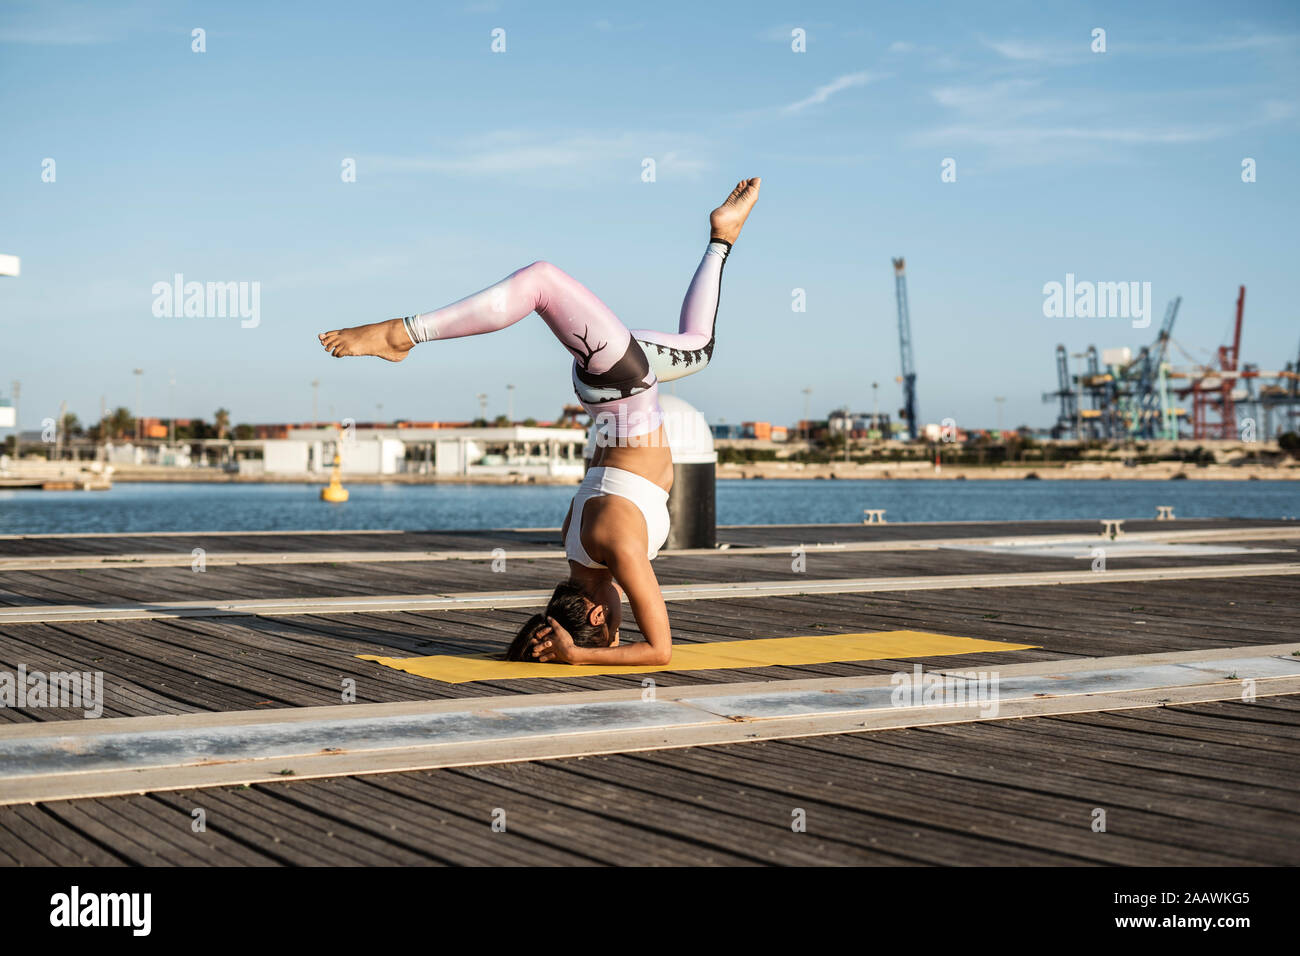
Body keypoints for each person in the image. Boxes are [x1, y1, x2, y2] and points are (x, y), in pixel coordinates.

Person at [319, 178, 760, 665]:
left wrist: (580, 657)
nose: (621, 614)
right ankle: (722, 238)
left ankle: (402, 334)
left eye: (616, 625)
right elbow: (600, 462)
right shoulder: (573, 540)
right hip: (613, 392)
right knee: (697, 347)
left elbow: (660, 652)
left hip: (623, 387)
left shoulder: (615, 547)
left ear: (597, 617)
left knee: (541, 281)